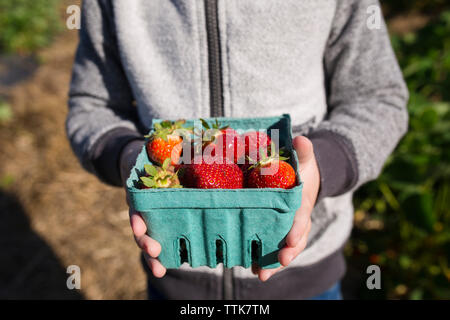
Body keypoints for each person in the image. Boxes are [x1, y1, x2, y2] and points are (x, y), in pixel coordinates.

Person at [66, 0, 408, 300]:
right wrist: (130, 158)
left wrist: (324, 165)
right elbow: (91, 105)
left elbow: (378, 97)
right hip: (175, 264)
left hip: (303, 276)